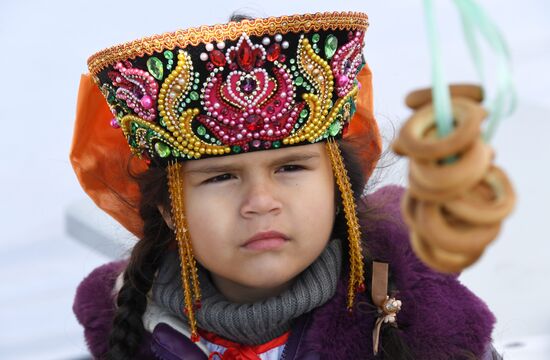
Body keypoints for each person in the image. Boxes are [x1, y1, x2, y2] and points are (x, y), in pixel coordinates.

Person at [70, 11, 501, 359]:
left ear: (339, 189)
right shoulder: (126, 337)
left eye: (291, 168)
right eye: (221, 176)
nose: (260, 202)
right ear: (167, 209)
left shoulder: (433, 326)